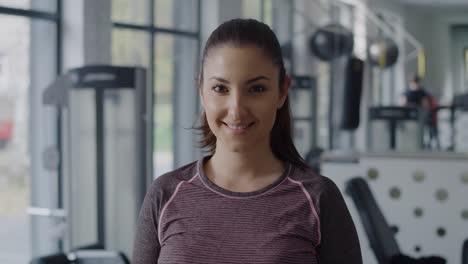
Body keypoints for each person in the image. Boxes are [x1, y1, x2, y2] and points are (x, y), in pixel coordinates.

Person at [132, 18, 362, 264]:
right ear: (201, 90)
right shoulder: (165, 194)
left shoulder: (318, 198)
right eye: (220, 89)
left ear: (282, 91)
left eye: (256, 89)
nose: (237, 110)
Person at [400, 74, 440, 149]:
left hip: (419, 115)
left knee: (424, 124)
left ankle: (423, 143)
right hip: (410, 116)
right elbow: (403, 104)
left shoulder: (422, 92)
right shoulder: (407, 92)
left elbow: (425, 105)